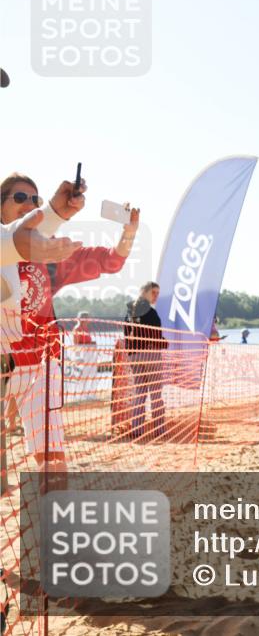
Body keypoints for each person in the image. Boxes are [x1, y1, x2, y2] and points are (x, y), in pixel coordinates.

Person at [2, 173, 137, 468]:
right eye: (20, 198)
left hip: (39, 367)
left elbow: (110, 261)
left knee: (52, 458)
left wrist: (129, 233)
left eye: (34, 200)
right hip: (3, 366)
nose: (29, 205)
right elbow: (11, 240)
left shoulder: (49, 255)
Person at [124, 282, 167, 439]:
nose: (156, 296)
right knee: (156, 393)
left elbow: (128, 336)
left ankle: (137, 430)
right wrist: (164, 342)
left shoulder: (129, 312)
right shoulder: (151, 312)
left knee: (140, 393)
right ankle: (159, 430)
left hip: (133, 356)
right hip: (150, 354)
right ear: (145, 292)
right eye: (154, 292)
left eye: (158, 293)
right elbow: (155, 337)